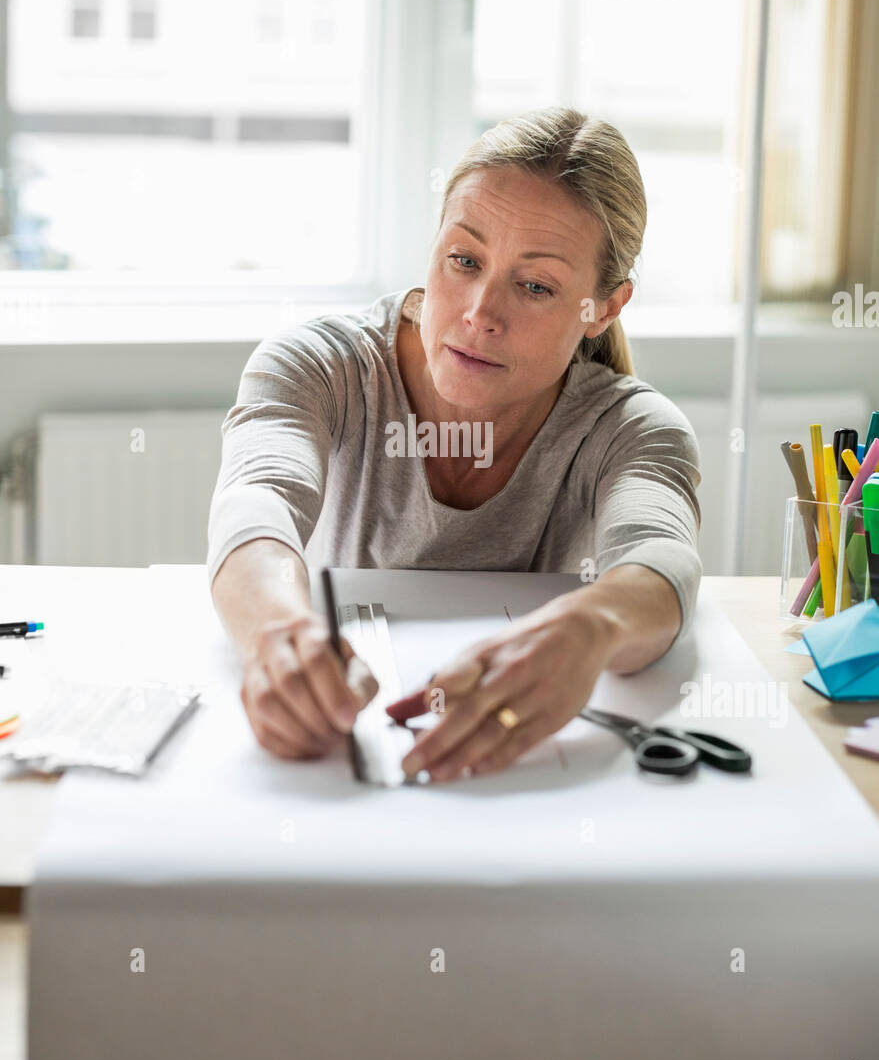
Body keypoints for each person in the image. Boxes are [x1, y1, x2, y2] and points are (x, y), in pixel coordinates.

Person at [208, 106, 702, 781]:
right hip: (341, 757)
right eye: (463, 260)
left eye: (534, 286)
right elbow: (255, 502)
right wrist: (276, 633)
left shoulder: (631, 428)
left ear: (604, 307)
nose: (478, 314)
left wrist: (592, 627)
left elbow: (661, 557)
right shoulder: (318, 366)